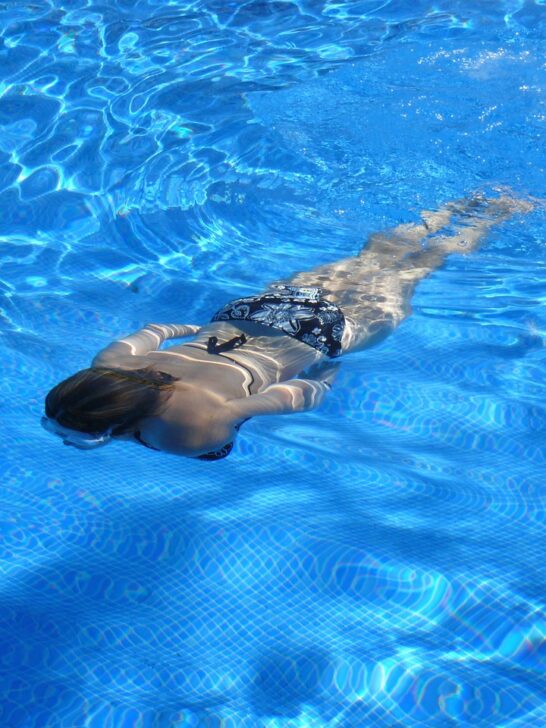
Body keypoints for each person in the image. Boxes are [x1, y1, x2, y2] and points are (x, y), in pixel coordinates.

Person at [42, 194, 531, 460]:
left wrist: (321, 380)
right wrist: (198, 324)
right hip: (255, 311)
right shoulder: (110, 362)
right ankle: (454, 203)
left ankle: (502, 212)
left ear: (113, 427)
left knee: (419, 267)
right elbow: (155, 328)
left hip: (317, 336)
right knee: (375, 255)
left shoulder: (189, 431)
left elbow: (286, 398)